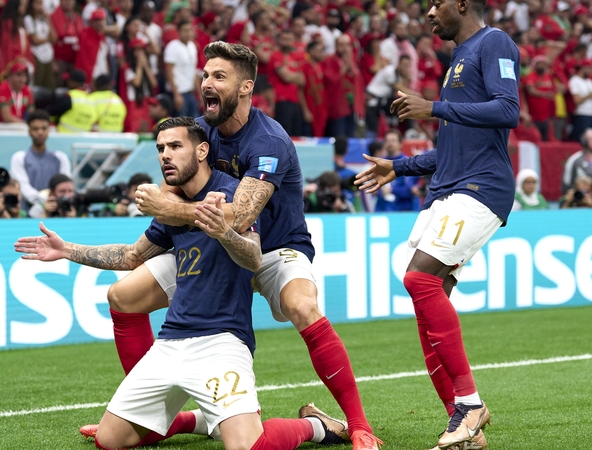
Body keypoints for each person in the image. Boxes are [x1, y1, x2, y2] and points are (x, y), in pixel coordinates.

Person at [88, 42, 383, 450]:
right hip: (214, 248)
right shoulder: (197, 131)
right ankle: (152, 419)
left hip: (274, 247)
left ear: (246, 88)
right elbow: (173, 191)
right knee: (123, 295)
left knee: (302, 306)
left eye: (219, 77)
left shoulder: (268, 141)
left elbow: (239, 218)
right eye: (206, 75)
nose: (207, 83)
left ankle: (356, 423)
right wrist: (166, 203)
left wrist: (168, 205)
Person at [15, 116, 351, 450]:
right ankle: (201, 419)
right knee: (109, 441)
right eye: (161, 148)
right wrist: (66, 250)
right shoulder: (170, 206)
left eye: (175, 146)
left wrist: (223, 231)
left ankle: (314, 426)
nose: (165, 155)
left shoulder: (233, 195)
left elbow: (253, 257)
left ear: (203, 150)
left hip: (222, 341)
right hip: (171, 341)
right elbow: (132, 255)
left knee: (249, 447)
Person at [355, 0, 521, 446]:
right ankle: (462, 424)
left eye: (436, 3)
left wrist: (435, 107)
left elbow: (509, 110)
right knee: (425, 303)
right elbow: (450, 149)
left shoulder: (495, 42)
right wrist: (399, 165)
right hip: (447, 190)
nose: (429, 12)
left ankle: (469, 404)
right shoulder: (457, 58)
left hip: (481, 188)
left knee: (420, 279)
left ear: (462, 3)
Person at [10, 109, 72, 216]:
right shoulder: (19, 158)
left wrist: (53, 203)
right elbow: (24, 189)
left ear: (48, 130)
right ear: (29, 131)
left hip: (56, 214)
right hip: (28, 215)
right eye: (35, 129)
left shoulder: (61, 158)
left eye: (44, 128)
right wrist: (45, 202)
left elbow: (65, 187)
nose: (40, 132)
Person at [164, 20, 201, 118]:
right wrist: (176, 94)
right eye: (185, 30)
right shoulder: (172, 46)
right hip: (178, 92)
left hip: (190, 92)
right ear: (179, 32)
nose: (188, 33)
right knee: (180, 125)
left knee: (195, 124)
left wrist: (199, 94)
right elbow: (169, 71)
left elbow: (193, 71)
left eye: (190, 30)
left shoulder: (192, 46)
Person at [0, 61, 34, 130]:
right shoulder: (2, 89)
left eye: (24, 75)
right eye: (18, 75)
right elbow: (6, 118)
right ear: (10, 76)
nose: (22, 79)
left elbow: (32, 113)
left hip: (15, 125)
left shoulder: (27, 90)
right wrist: (26, 124)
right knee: (24, 129)